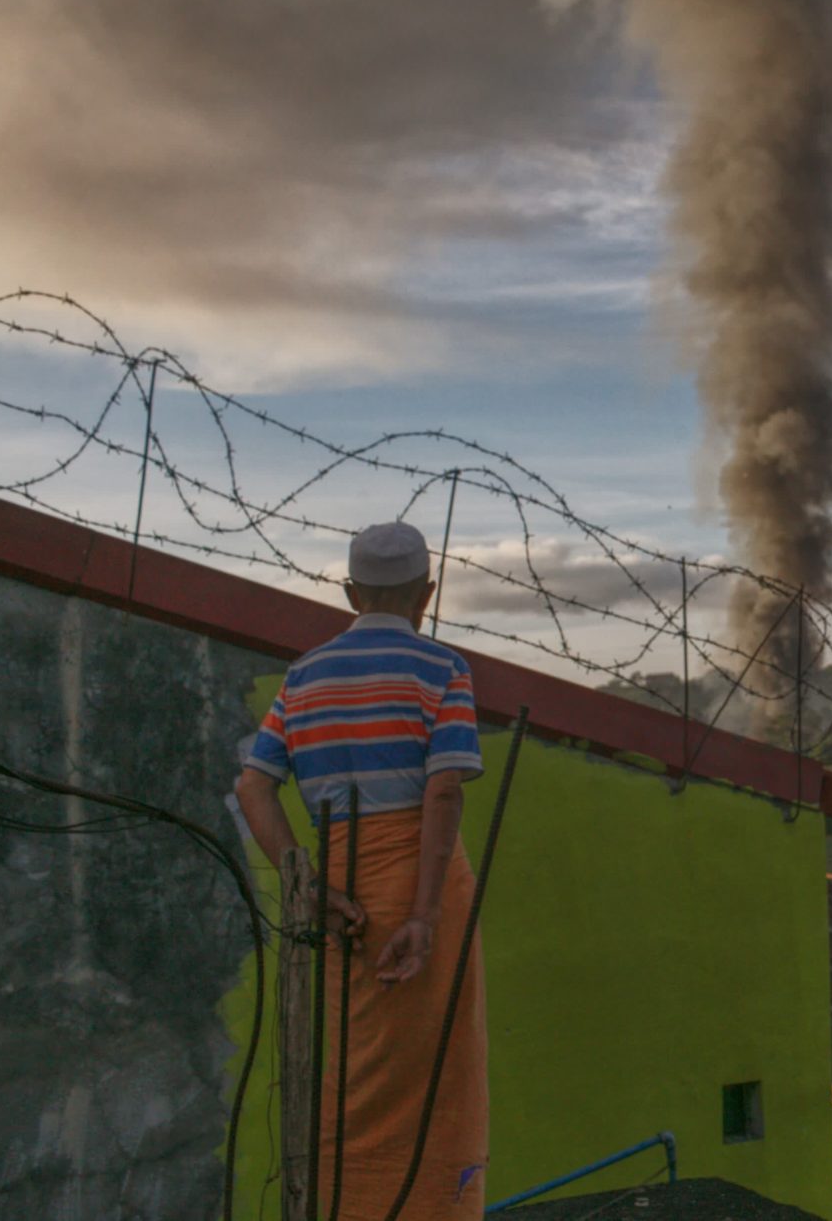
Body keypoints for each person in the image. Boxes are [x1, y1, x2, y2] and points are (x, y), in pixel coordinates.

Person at [235, 521, 490, 1218]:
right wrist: (425, 915)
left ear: (350, 592)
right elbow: (444, 790)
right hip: (422, 886)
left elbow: (253, 786)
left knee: (356, 1075)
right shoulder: (443, 669)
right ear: (426, 593)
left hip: (345, 895)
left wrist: (309, 887)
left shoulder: (305, 674)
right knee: (439, 1076)